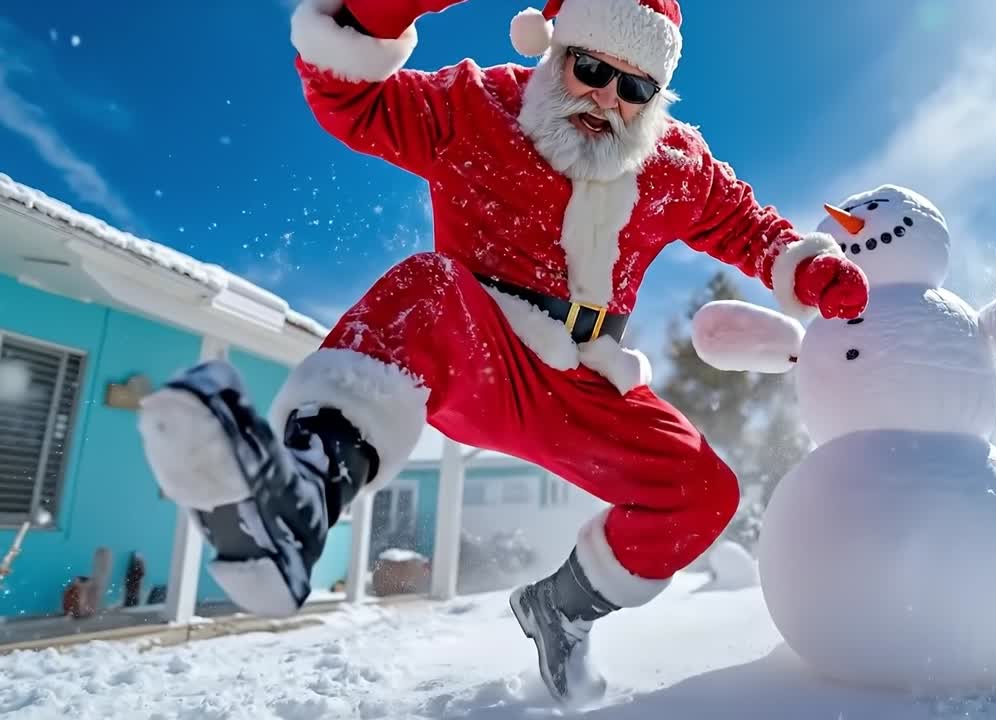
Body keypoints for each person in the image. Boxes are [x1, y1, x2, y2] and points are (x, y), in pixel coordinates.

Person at [137, 0, 869, 705]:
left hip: (588, 381)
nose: (607, 99)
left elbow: (747, 225)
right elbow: (351, 99)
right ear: (555, 50)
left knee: (703, 492)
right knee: (427, 283)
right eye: (590, 69)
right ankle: (299, 502)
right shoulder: (479, 106)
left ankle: (560, 609)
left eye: (635, 87)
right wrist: (384, 11)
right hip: (477, 347)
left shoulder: (677, 164)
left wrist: (806, 268)